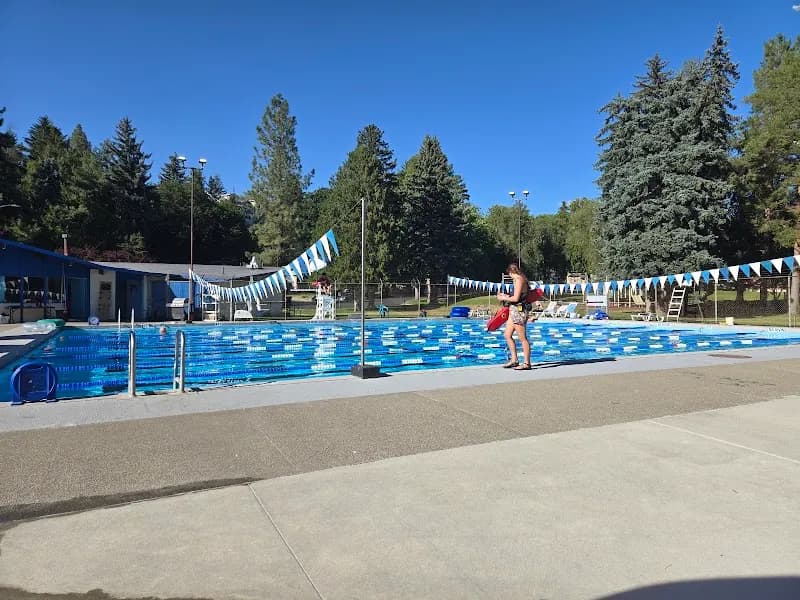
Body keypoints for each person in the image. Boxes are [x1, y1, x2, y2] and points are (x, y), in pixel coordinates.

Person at [496, 263, 532, 370]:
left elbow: (516, 299)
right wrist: (506, 296)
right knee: (507, 334)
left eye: (510, 274)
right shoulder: (517, 280)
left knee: (522, 338)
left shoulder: (519, 280)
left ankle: (527, 363)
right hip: (514, 310)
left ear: (511, 272)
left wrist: (503, 297)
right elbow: (516, 297)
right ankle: (514, 360)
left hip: (519, 311)